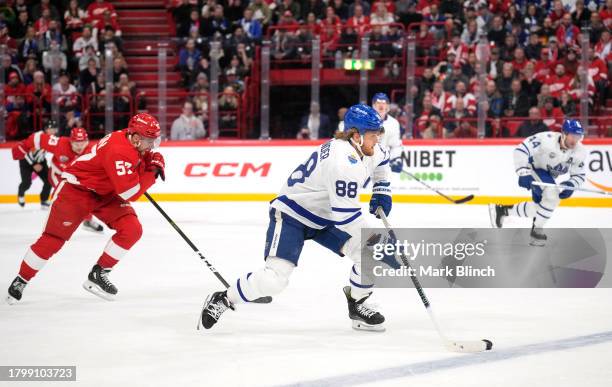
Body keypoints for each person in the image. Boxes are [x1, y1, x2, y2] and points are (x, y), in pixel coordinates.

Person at [199, 104, 394, 331]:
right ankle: (223, 298)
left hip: (325, 215)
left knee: (370, 257)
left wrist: (382, 188)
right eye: (373, 136)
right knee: (274, 280)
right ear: (356, 136)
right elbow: (347, 218)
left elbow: (382, 161)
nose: (377, 141)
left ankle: (358, 306)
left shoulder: (368, 147)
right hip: (293, 214)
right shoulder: (343, 162)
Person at [6, 113, 166, 304]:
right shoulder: (119, 151)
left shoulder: (129, 138)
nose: (153, 146)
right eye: (151, 141)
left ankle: (99, 273)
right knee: (53, 239)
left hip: (105, 193)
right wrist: (153, 171)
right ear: (137, 138)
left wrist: (150, 158)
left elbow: (135, 165)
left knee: (132, 229)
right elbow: (130, 193)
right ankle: (21, 279)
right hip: (76, 190)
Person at [489, 120, 587, 245]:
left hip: (548, 177)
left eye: (578, 137)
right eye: (573, 136)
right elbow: (521, 150)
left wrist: (572, 184)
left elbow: (579, 175)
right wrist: (523, 171)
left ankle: (503, 211)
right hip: (533, 168)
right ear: (564, 133)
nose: (575, 140)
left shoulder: (580, 152)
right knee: (552, 196)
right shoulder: (546, 139)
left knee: (540, 207)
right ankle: (536, 231)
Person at [11, 127, 105, 233]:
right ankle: (58, 224)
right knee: (69, 198)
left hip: (76, 178)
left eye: (82, 143)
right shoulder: (59, 143)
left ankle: (86, 220)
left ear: (87, 141)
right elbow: (38, 138)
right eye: (76, 143)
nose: (79, 147)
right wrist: (24, 146)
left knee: (86, 196)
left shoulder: (93, 151)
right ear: (70, 141)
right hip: (58, 175)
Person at [14, 120, 56, 208]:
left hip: (40, 161)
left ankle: (44, 200)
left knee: (49, 180)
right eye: (51, 129)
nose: (53, 131)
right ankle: (21, 194)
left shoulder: (53, 138)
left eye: (54, 129)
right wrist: (34, 164)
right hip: (26, 161)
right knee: (26, 183)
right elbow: (25, 151)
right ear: (46, 129)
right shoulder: (37, 137)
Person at [371, 93, 402, 172]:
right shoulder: (365, 120)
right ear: (373, 105)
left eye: (384, 103)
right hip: (367, 162)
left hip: (383, 165)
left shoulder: (393, 123)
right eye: (378, 103)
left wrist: (396, 159)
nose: (381, 106)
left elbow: (395, 145)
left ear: (388, 107)